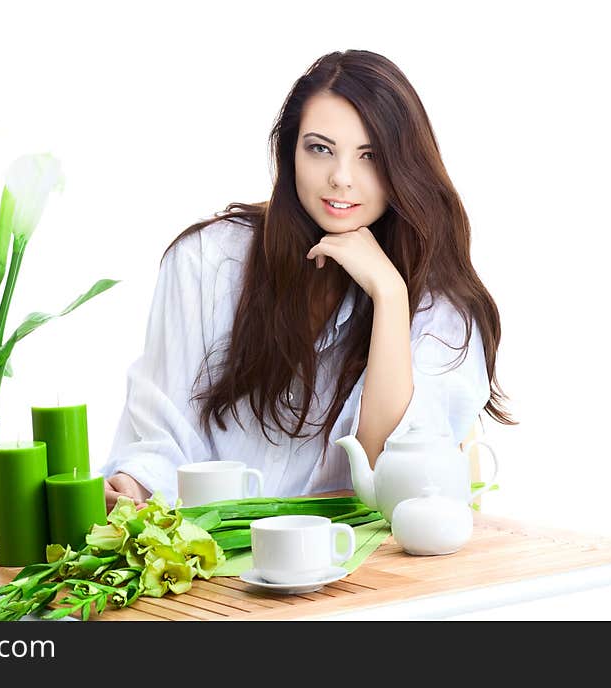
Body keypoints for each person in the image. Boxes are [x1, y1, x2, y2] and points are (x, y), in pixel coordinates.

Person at [100, 49, 515, 512]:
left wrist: (390, 296)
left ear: (403, 166)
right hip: (206, 565)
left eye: (370, 156)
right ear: (290, 151)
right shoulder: (207, 261)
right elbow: (161, 433)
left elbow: (390, 477)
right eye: (320, 148)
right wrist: (132, 486)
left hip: (357, 568)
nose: (341, 178)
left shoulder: (442, 308)